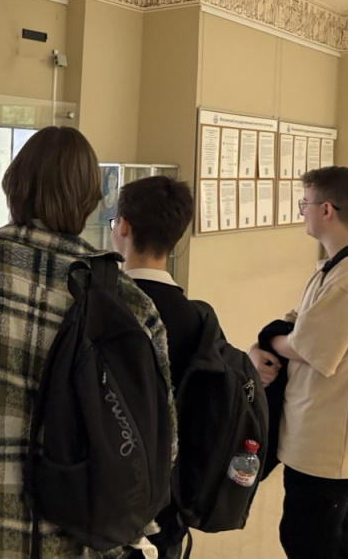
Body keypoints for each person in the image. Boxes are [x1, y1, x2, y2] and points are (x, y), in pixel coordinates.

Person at [0, 126, 173, 557]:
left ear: (13, 187)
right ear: (90, 201)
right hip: (76, 539)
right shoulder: (130, 304)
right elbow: (162, 443)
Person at [249, 167, 348, 558]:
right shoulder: (340, 265)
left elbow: (308, 346)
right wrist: (272, 341)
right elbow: (300, 321)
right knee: (336, 538)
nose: (303, 212)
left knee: (309, 540)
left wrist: (268, 340)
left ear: (326, 209)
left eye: (305, 203)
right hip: (323, 434)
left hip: (329, 443)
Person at [110, 176, 202, 559]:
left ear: (123, 227)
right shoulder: (195, 318)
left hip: (106, 492)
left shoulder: (105, 306)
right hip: (167, 498)